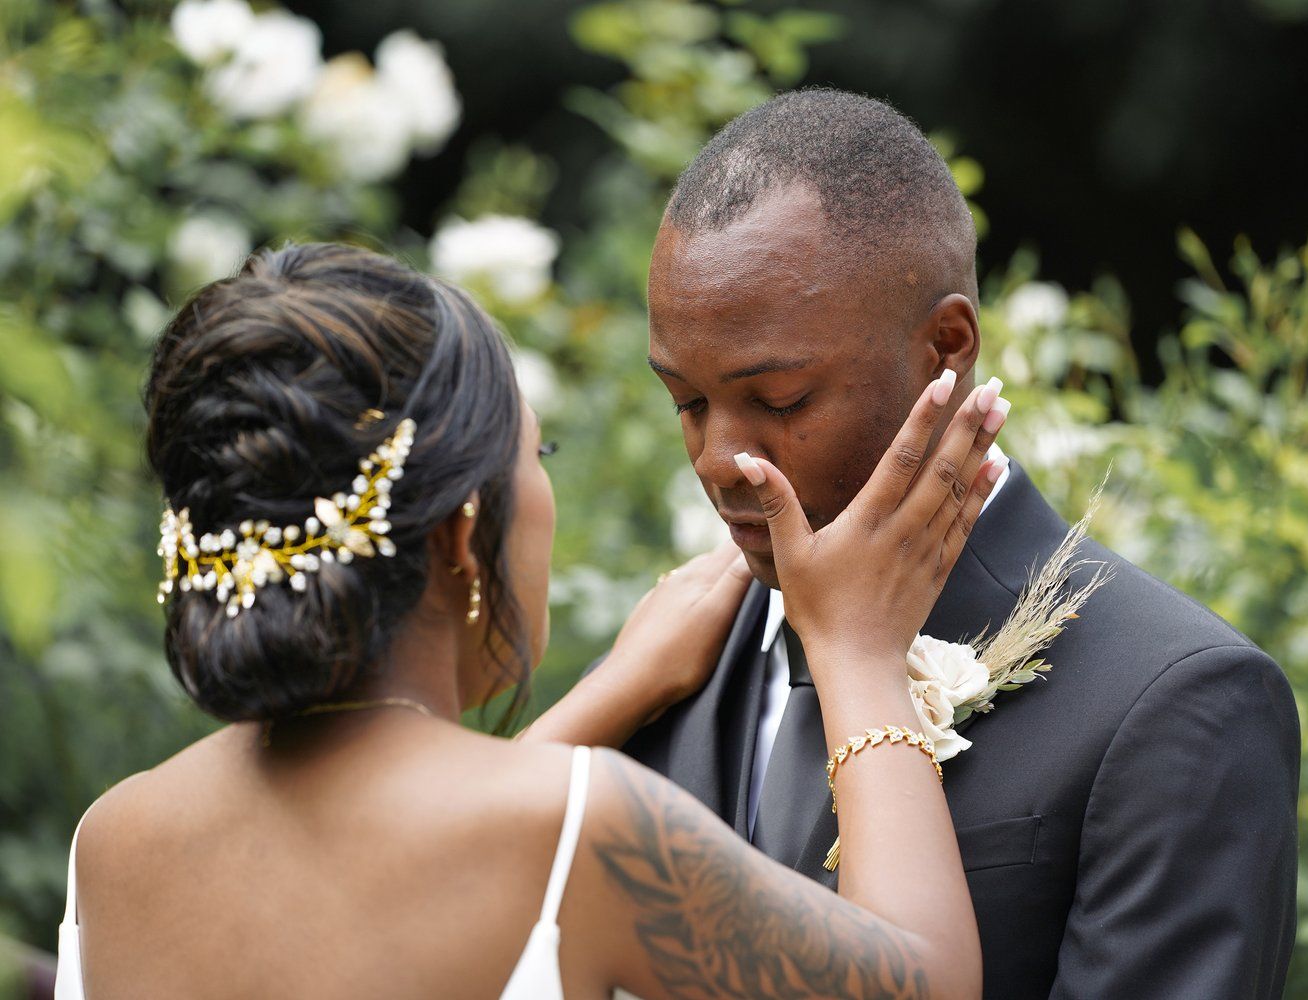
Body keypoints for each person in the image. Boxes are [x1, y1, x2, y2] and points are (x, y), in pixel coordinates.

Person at [55, 242, 1011, 999]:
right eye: (535, 451)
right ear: (465, 533)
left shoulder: (114, 842)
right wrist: (857, 647)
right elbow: (917, 979)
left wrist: (617, 688)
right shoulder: (582, 831)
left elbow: (366, 869)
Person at [620, 88, 1302, 999]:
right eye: (686, 402)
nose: (717, 459)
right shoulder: (675, 653)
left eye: (780, 400)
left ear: (946, 346)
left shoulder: (1176, 701)